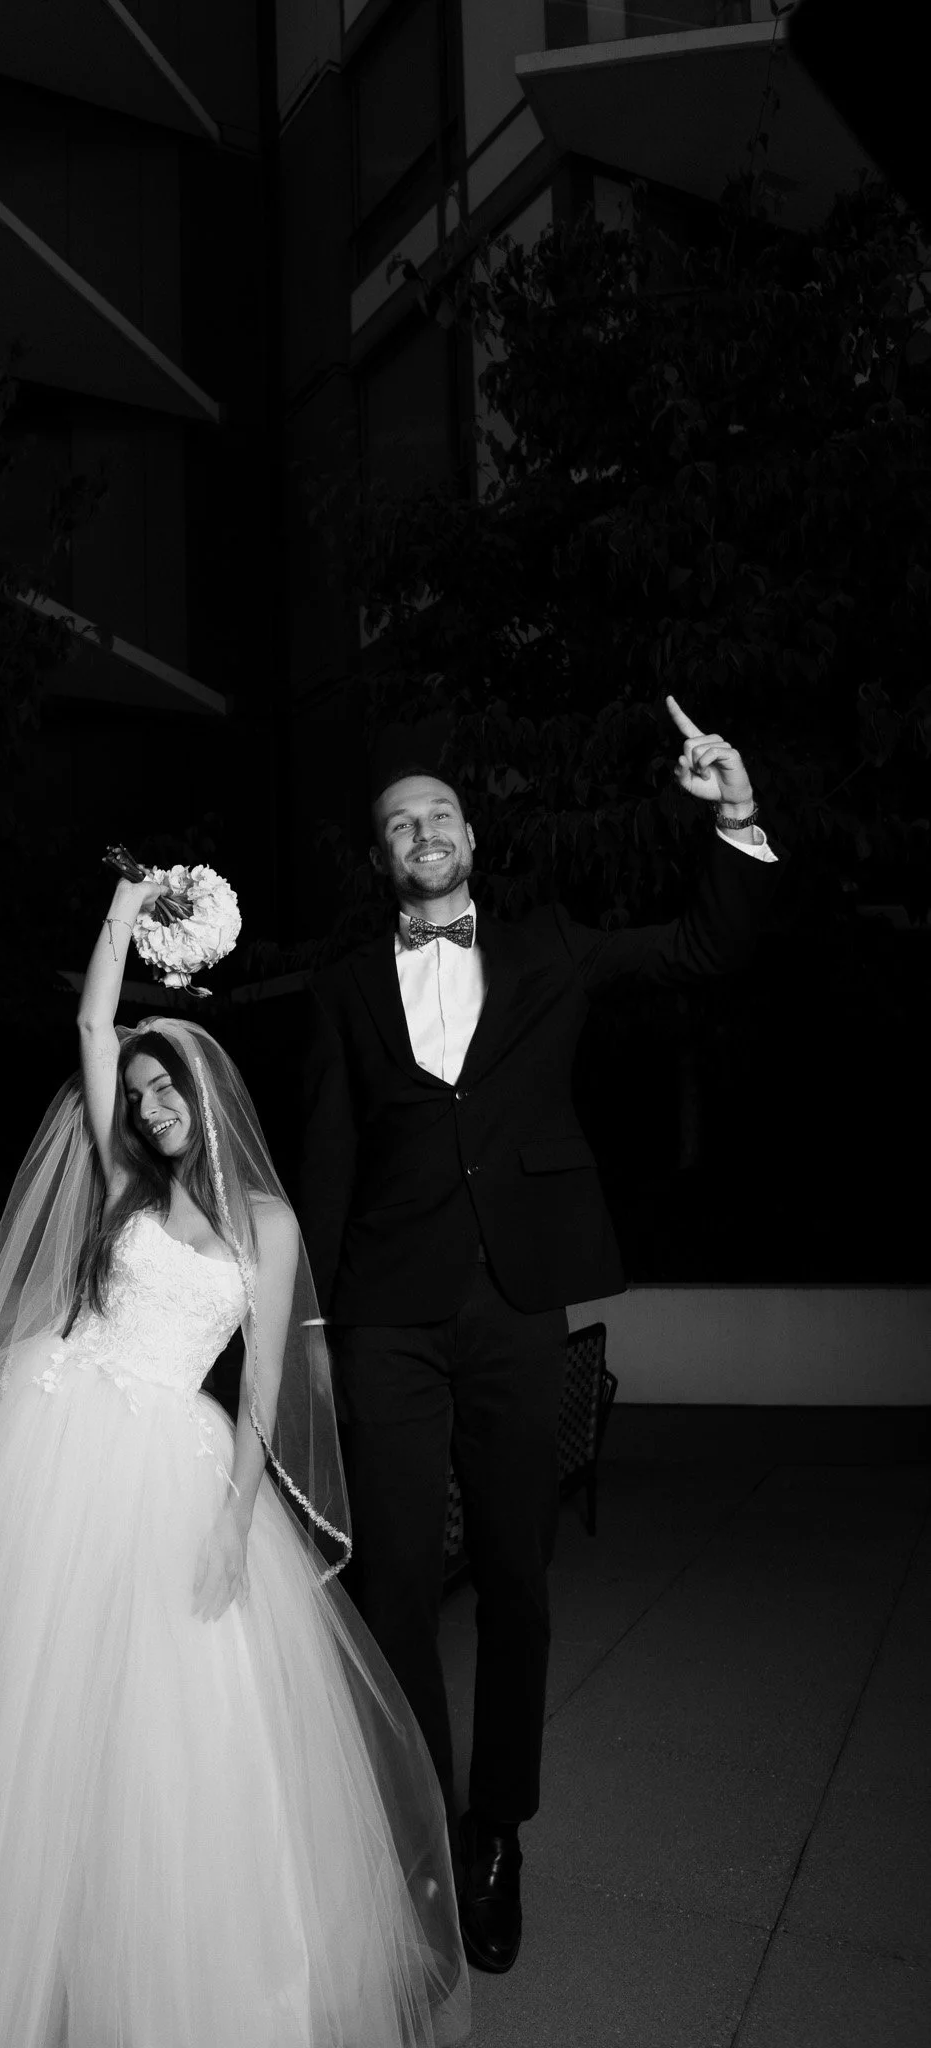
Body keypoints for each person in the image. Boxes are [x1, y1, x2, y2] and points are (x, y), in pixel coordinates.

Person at [0, 867, 471, 2048]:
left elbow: (264, 1384)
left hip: (170, 1460)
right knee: (19, 1698)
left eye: (166, 1085)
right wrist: (125, 910)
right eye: (138, 1094)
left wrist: (236, 1519)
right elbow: (93, 1024)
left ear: (208, 1090)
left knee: (163, 1724)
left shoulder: (267, 1223)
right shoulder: (126, 1181)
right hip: (53, 1438)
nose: (149, 1104)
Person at [298, 695, 785, 1976]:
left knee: (517, 1571)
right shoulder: (344, 988)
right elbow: (328, 1156)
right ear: (383, 857)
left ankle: (495, 1829)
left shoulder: (551, 946)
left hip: (517, 1304)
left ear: (472, 837)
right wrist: (314, 1319)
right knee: (395, 1579)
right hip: (385, 1314)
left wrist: (735, 814)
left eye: (440, 813)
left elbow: (705, 947)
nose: (424, 831)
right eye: (399, 823)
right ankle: (417, 1822)